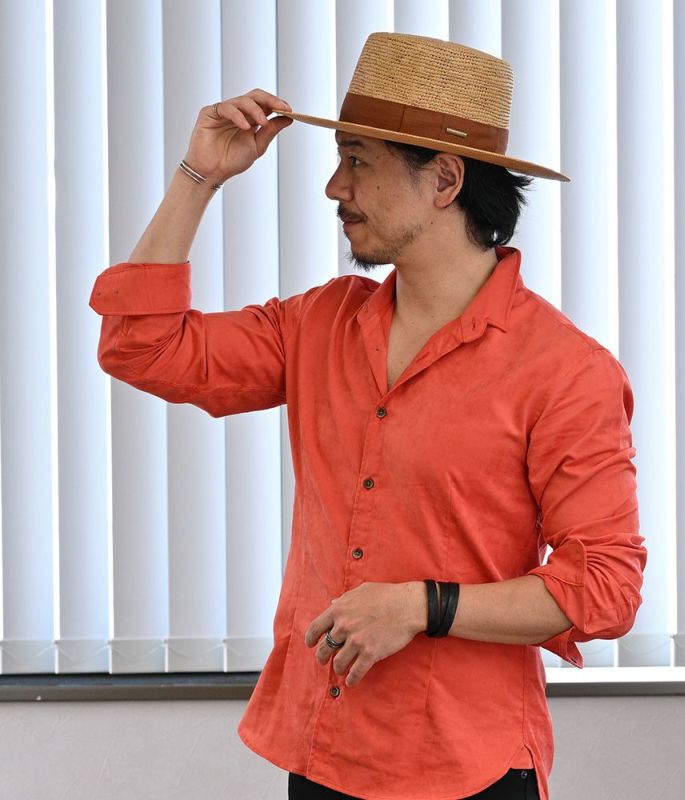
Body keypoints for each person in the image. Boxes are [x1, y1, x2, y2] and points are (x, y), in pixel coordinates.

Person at [90, 32, 645, 800]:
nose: (333, 186)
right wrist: (198, 178)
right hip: (323, 750)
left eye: (357, 161)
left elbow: (606, 588)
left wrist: (423, 605)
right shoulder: (318, 324)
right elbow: (140, 347)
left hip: (467, 769)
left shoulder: (565, 372)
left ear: (444, 179)